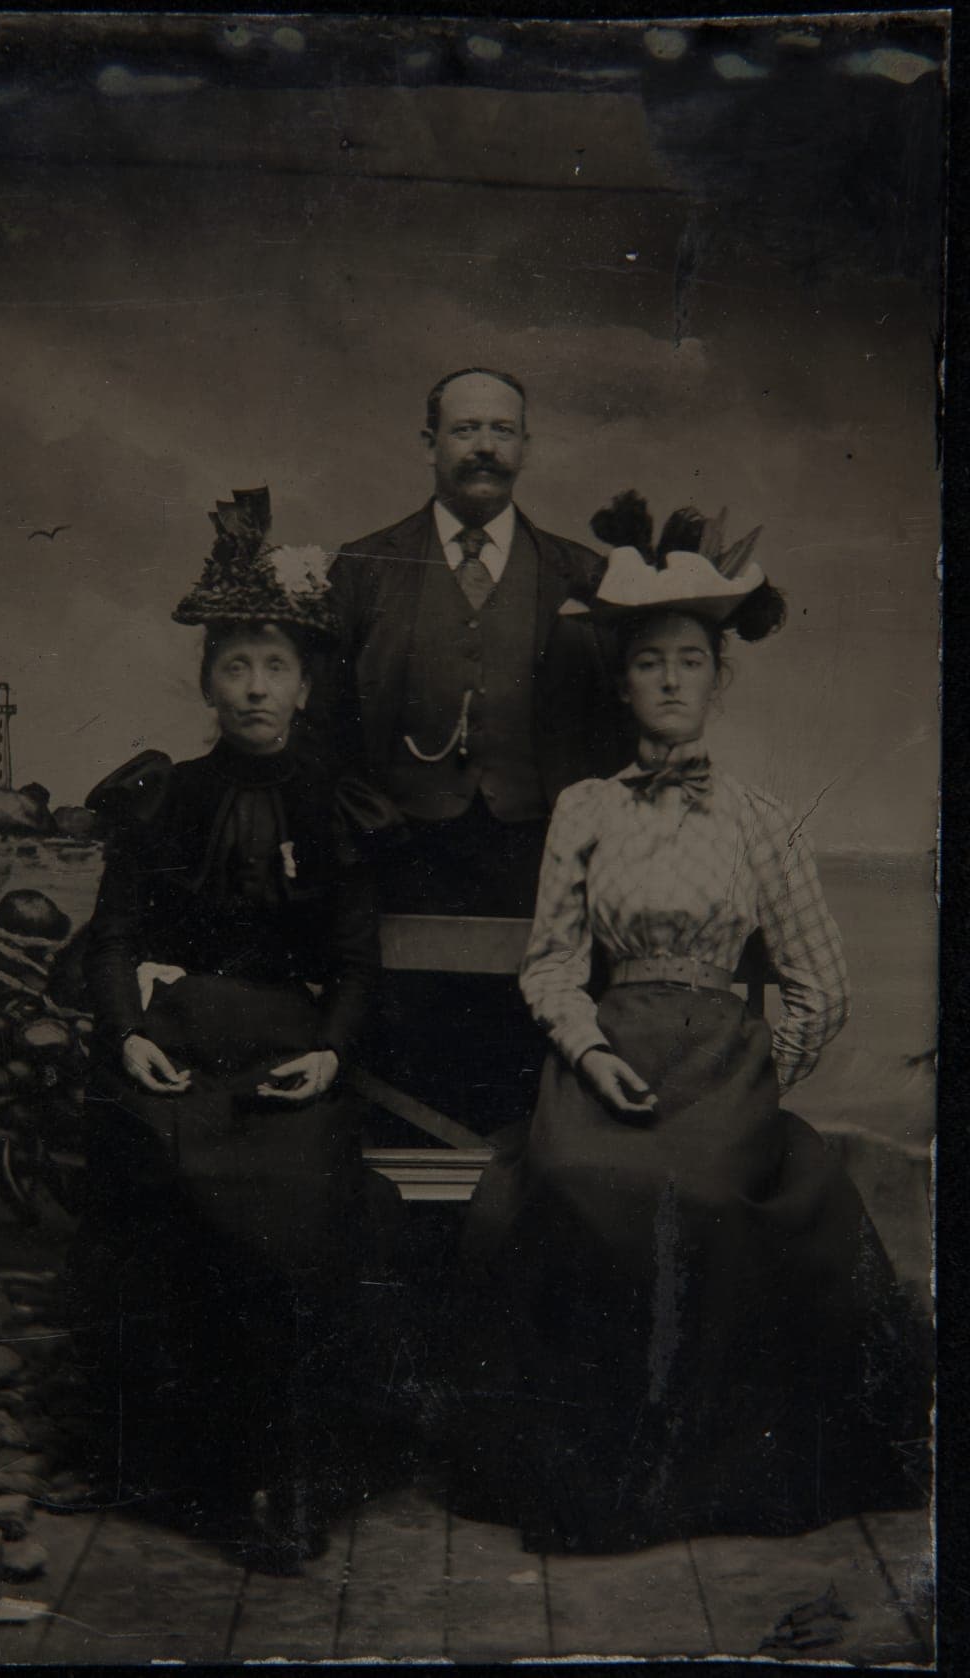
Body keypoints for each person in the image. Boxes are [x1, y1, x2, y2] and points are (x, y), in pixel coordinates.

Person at [445, 492, 932, 1553]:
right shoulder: (586, 808)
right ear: (621, 684)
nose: (671, 681)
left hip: (724, 1069)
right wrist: (586, 1051)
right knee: (576, 1186)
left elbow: (821, 982)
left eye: (691, 662)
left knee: (708, 1191)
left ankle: (701, 1482)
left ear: (721, 679)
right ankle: (597, 1479)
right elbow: (553, 965)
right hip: (607, 1058)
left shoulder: (760, 821)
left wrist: (761, 1074)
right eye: (651, 663)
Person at [66, 489, 403, 1574]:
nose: (255, 686)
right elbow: (112, 939)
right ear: (207, 681)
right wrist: (125, 1034)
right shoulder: (167, 799)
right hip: (180, 1042)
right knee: (153, 1166)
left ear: (305, 684)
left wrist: (332, 1050)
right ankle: (177, 1466)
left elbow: (356, 962)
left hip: (286, 1052)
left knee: (306, 1194)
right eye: (234, 666)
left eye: (274, 667)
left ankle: (295, 1470)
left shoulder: (334, 806)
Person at [315, 366, 632, 917]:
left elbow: (614, 728)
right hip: (397, 853)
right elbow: (324, 721)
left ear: (526, 447)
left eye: (503, 431)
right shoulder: (366, 568)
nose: (486, 446)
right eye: (465, 430)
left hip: (540, 857)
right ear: (428, 443)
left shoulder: (580, 573)